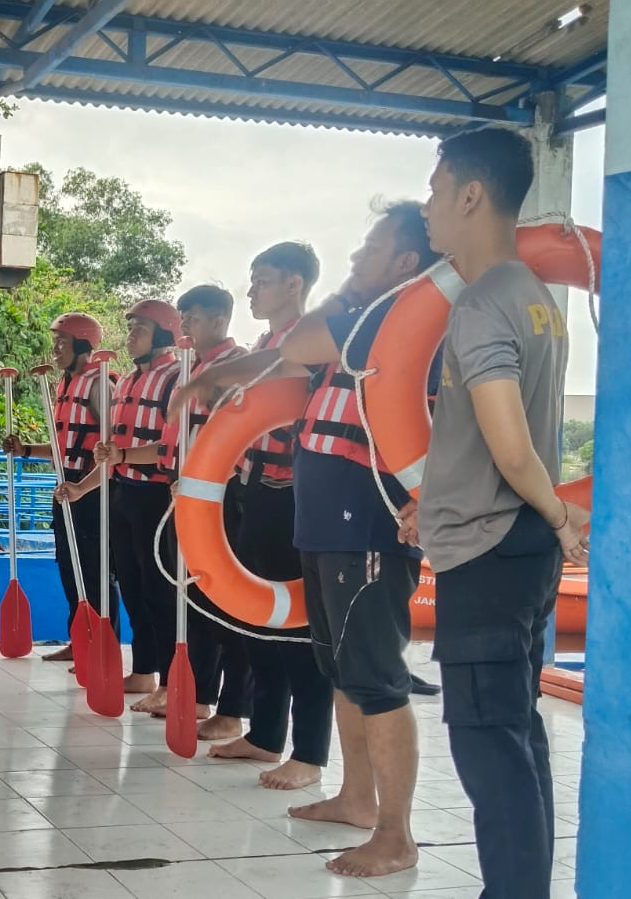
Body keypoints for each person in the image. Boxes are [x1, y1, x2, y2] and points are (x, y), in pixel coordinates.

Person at [406, 125, 583, 897]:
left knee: (487, 739)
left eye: (437, 188)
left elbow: (512, 447)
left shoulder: (480, 304)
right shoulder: (537, 299)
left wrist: (557, 514)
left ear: (472, 194)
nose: (429, 205)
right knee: (515, 731)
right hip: (512, 547)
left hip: (491, 547)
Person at [253, 203, 440, 877]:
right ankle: (357, 798)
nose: (356, 258)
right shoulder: (365, 317)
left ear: (405, 264)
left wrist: (350, 292)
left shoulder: (400, 323)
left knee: (378, 678)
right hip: (327, 521)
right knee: (343, 670)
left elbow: (295, 343)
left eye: (369, 247)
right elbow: (297, 346)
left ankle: (397, 833)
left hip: (366, 520)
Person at [174, 242, 334, 790]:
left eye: (261, 280)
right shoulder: (267, 343)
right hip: (254, 494)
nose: (251, 291)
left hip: (300, 497)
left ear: (295, 283)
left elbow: (283, 380)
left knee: (300, 629)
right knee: (253, 618)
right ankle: (266, 736)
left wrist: (206, 382)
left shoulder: (316, 339)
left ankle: (309, 753)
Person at [62, 300, 181, 714]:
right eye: (130, 327)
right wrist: (82, 487)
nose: (131, 334)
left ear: (164, 334)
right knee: (134, 588)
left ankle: (172, 680)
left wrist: (123, 460)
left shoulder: (175, 377)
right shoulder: (129, 379)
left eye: (140, 328)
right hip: (123, 492)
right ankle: (145, 670)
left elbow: (171, 445)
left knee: (160, 592)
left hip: (157, 497)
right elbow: (111, 454)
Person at [157, 285, 254, 739]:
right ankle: (198, 698)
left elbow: (242, 439)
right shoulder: (190, 369)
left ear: (218, 321)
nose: (184, 327)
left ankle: (233, 709)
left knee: (227, 605)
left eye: (191, 318)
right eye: (181, 319)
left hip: (225, 502)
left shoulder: (238, 370)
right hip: (189, 500)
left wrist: (205, 482)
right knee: (193, 601)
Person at [2, 312, 111, 663]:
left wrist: (84, 486)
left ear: (83, 346)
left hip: (93, 494)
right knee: (69, 566)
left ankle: (100, 644)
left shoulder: (99, 385)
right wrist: (27, 450)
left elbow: (109, 446)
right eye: (55, 343)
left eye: (62, 343)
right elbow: (65, 444)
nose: (55, 350)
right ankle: (79, 640)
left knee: (93, 570)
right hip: (66, 491)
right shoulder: (64, 385)